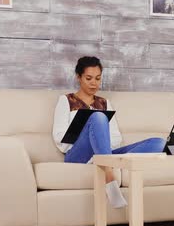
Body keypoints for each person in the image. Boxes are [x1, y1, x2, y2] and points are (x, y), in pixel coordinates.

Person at [52, 56, 166, 208]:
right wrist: (88, 132)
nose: (94, 83)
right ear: (79, 77)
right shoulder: (66, 100)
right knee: (97, 117)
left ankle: (105, 161)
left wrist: (100, 143)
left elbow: (115, 138)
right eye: (89, 78)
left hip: (105, 153)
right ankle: (110, 179)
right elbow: (59, 137)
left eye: (98, 78)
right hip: (78, 155)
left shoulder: (105, 103)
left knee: (158, 143)